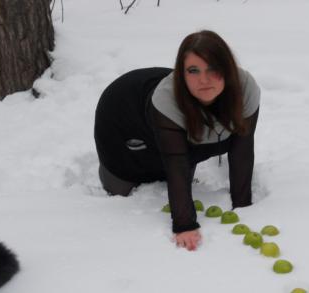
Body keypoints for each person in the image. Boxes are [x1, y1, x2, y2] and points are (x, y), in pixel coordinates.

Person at [94, 30, 260, 251]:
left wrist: (243, 207)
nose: (204, 79)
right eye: (193, 70)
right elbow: (176, 162)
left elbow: (242, 149)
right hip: (125, 130)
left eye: (214, 68)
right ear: (182, 74)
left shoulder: (245, 89)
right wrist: (184, 225)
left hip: (177, 141)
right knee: (123, 185)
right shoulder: (167, 101)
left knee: (179, 168)